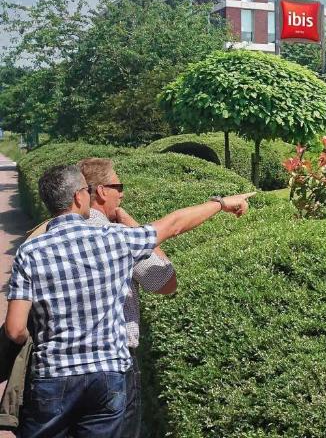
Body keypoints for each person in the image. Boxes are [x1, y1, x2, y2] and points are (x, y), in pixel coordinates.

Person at [3, 165, 254, 438]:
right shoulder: (114, 239)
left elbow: (15, 329)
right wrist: (220, 203)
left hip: (53, 375)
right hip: (108, 374)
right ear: (79, 196)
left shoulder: (31, 250)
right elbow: (174, 225)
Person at [79, 158, 177, 438]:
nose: (122, 193)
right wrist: (128, 221)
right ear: (100, 192)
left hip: (65, 367)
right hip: (114, 363)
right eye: (117, 186)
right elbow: (164, 281)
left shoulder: (51, 232)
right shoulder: (117, 237)